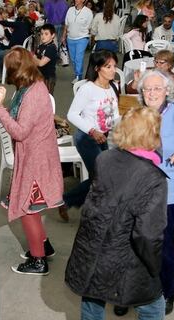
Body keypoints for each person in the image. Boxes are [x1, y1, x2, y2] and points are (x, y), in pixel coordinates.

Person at [65, 106, 167, 320]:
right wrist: (155, 266)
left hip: (92, 252)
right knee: (153, 308)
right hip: (127, 259)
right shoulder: (153, 177)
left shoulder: (105, 159)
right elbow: (148, 235)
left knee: (92, 301)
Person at [117, 69, 174, 316]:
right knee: (129, 243)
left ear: (167, 91)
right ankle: (128, 291)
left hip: (166, 195)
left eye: (157, 88)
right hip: (135, 193)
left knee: (164, 246)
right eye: (147, 89)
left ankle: (166, 292)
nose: (152, 93)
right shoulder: (135, 115)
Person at [0, 48, 64, 276]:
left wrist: (0, 110)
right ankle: (43, 246)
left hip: (35, 160)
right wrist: (0, 110)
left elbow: (20, 131)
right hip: (34, 156)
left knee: (27, 208)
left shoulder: (33, 93)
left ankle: (38, 261)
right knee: (33, 206)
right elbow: (23, 117)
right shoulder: (30, 87)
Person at [60, 50, 120, 220]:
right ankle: (97, 214)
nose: (112, 70)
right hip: (87, 139)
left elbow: (114, 116)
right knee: (103, 177)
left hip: (104, 138)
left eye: (114, 66)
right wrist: (93, 131)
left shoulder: (112, 87)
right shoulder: (88, 89)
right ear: (97, 68)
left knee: (100, 178)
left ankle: (67, 201)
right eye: (108, 67)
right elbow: (72, 115)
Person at [0, 6, 34, 81]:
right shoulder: (27, 29)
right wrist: (6, 29)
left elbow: (4, 22)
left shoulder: (20, 24)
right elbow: (11, 38)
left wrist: (1, 20)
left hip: (13, 50)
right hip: (18, 48)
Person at [62, 0, 93, 83]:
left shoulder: (88, 12)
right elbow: (66, 24)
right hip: (70, 38)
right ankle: (78, 74)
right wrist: (63, 36)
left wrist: (91, 39)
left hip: (82, 38)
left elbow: (90, 27)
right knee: (73, 59)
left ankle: (78, 77)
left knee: (78, 58)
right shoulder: (70, 10)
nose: (76, 0)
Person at [34, 23, 58, 94]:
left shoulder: (51, 48)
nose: (43, 36)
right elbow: (33, 58)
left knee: (48, 97)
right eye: (41, 34)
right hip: (40, 75)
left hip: (48, 78)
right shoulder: (41, 46)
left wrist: (36, 60)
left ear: (52, 35)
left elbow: (41, 63)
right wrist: (37, 60)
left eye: (46, 34)